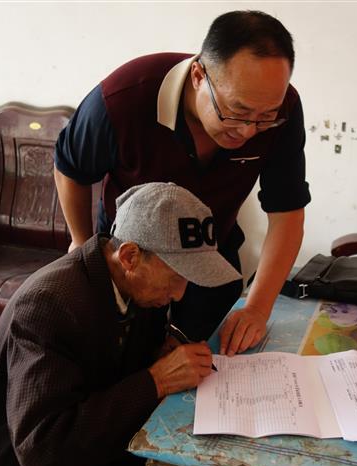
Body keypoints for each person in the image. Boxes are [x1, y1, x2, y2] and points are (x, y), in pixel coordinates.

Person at [0, 183, 242, 466]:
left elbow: (108, 354)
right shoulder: (50, 305)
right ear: (130, 256)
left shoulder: (131, 283)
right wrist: (155, 380)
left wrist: (157, 355)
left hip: (84, 448)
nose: (179, 294)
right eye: (176, 277)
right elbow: (40, 450)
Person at [53, 10, 310, 357]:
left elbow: (287, 213)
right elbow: (71, 169)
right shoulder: (124, 98)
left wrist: (257, 308)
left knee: (207, 358)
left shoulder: (283, 110)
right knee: (122, 361)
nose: (248, 131)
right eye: (236, 112)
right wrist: (82, 248)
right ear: (198, 75)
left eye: (264, 118)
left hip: (209, 254)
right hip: (137, 258)